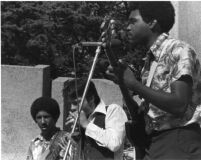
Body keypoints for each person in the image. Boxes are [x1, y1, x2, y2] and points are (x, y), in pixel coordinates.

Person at [107, 1, 201, 159]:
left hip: (177, 142)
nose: (127, 28)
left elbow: (179, 105)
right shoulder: (150, 62)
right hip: (155, 143)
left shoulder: (178, 49)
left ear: (152, 23)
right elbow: (141, 115)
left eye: (133, 22)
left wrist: (135, 85)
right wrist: (123, 83)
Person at [65, 79, 128, 160]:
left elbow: (114, 144)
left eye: (76, 102)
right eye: (70, 103)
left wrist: (87, 125)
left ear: (91, 98)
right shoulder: (81, 120)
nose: (72, 108)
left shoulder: (112, 110)